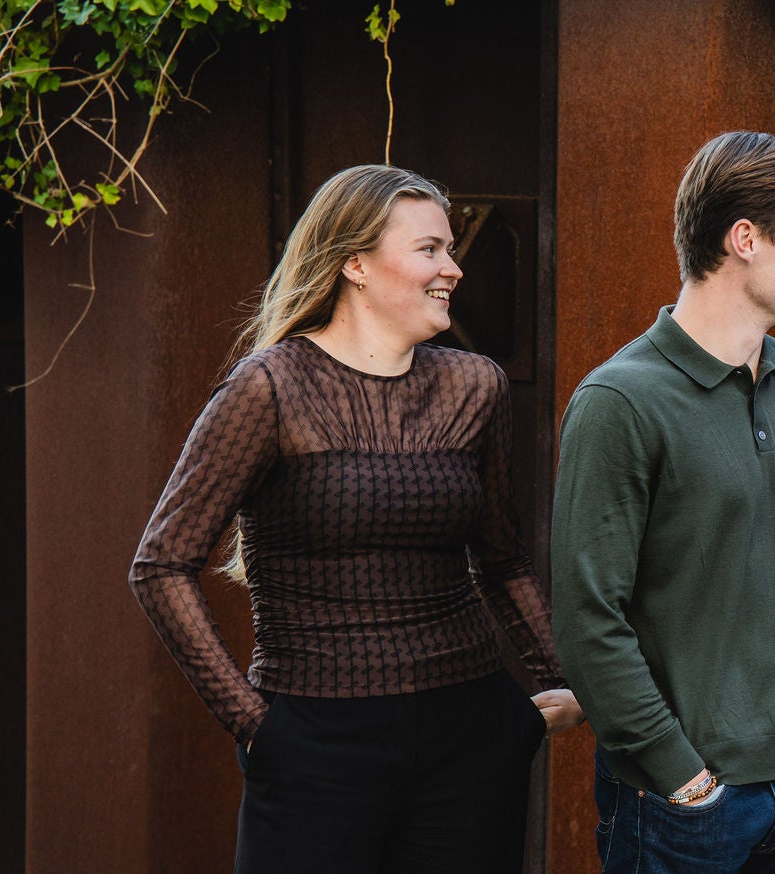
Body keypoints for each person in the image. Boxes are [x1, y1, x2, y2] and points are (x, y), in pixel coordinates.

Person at [127, 164, 585, 874]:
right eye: (430, 249)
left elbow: (502, 560)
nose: (454, 269)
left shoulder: (475, 385)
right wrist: (256, 725)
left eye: (451, 249)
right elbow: (161, 564)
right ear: (354, 264)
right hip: (315, 745)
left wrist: (567, 684)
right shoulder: (270, 388)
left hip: (469, 737)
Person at [551, 130, 775, 873]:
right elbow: (590, 619)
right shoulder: (620, 401)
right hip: (682, 803)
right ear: (745, 238)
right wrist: (683, 776)